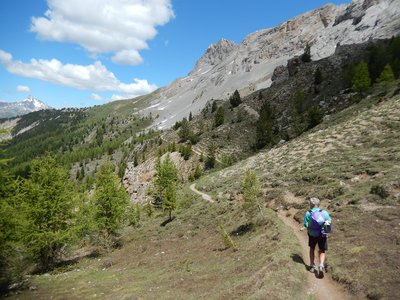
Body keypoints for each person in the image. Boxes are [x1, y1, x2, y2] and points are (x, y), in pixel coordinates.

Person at [302, 197, 331, 276]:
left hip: (312, 234)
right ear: (318, 204)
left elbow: (305, 224)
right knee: (322, 250)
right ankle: (321, 265)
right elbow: (329, 221)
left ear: (311, 205)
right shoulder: (324, 212)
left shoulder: (308, 213)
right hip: (322, 234)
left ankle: (312, 265)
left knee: (312, 248)